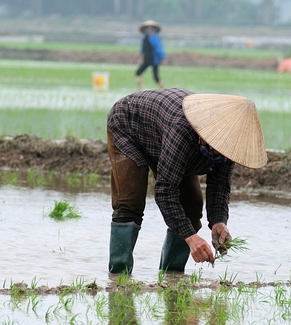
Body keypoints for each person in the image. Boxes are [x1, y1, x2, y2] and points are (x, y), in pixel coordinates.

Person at [106, 88, 267, 274]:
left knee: (191, 206)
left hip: (163, 137)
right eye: (217, 148)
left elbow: (220, 185)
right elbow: (165, 191)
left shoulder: (229, 143)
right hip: (129, 126)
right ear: (207, 136)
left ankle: (171, 276)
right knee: (130, 202)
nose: (222, 154)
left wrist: (218, 221)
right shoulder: (182, 130)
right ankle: (119, 277)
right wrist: (191, 237)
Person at [135, 20, 166, 91]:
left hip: (154, 59)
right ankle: (139, 90)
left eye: (151, 27)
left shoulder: (155, 37)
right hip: (146, 59)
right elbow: (142, 49)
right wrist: (137, 56)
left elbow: (159, 48)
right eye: (148, 27)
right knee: (138, 72)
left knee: (156, 77)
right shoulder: (144, 38)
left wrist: (163, 58)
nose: (149, 28)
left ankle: (162, 90)